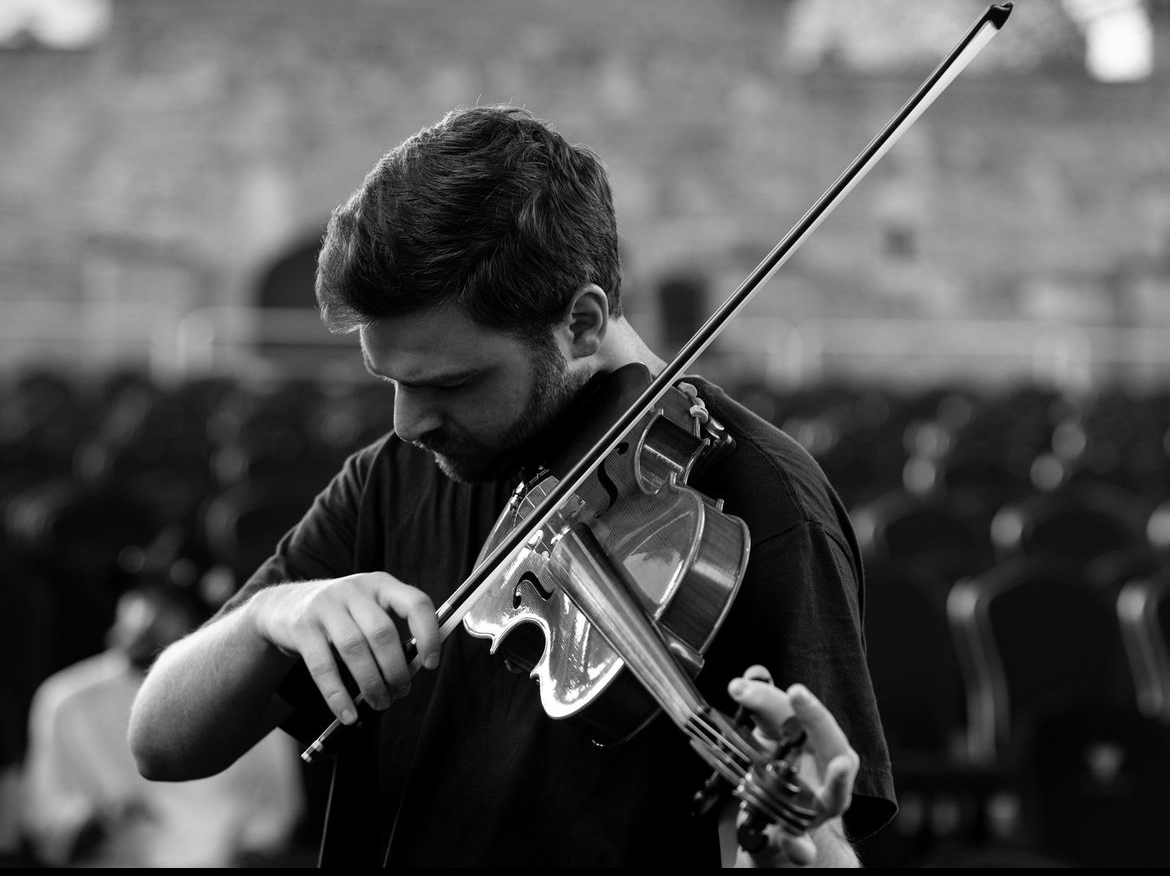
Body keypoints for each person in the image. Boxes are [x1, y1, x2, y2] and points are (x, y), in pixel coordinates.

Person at [128, 104, 897, 868]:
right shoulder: (388, 478)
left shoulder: (758, 501)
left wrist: (802, 855)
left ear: (583, 324)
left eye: (451, 383)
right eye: (387, 380)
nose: (406, 423)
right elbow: (160, 741)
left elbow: (810, 839)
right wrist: (273, 613)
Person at [21, 578, 307, 867]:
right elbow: (46, 814)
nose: (148, 618)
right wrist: (100, 818)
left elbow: (275, 809)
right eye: (142, 600)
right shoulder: (67, 698)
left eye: (167, 605)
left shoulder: (248, 690)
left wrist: (250, 853)